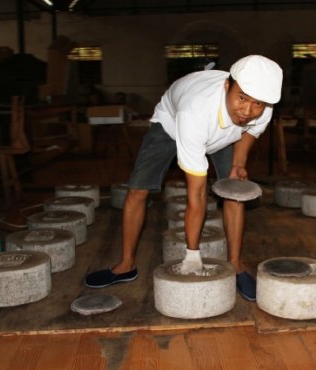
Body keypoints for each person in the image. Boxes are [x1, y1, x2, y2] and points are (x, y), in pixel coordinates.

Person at [84, 55, 283, 302]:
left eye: (257, 104)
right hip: (172, 123)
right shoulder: (194, 113)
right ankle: (126, 265)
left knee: (235, 191)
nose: (247, 110)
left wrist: (238, 164)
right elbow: (197, 195)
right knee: (138, 190)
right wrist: (192, 255)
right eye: (241, 98)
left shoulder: (263, 107)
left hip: (222, 132)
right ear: (226, 87)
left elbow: (252, 130)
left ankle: (236, 265)